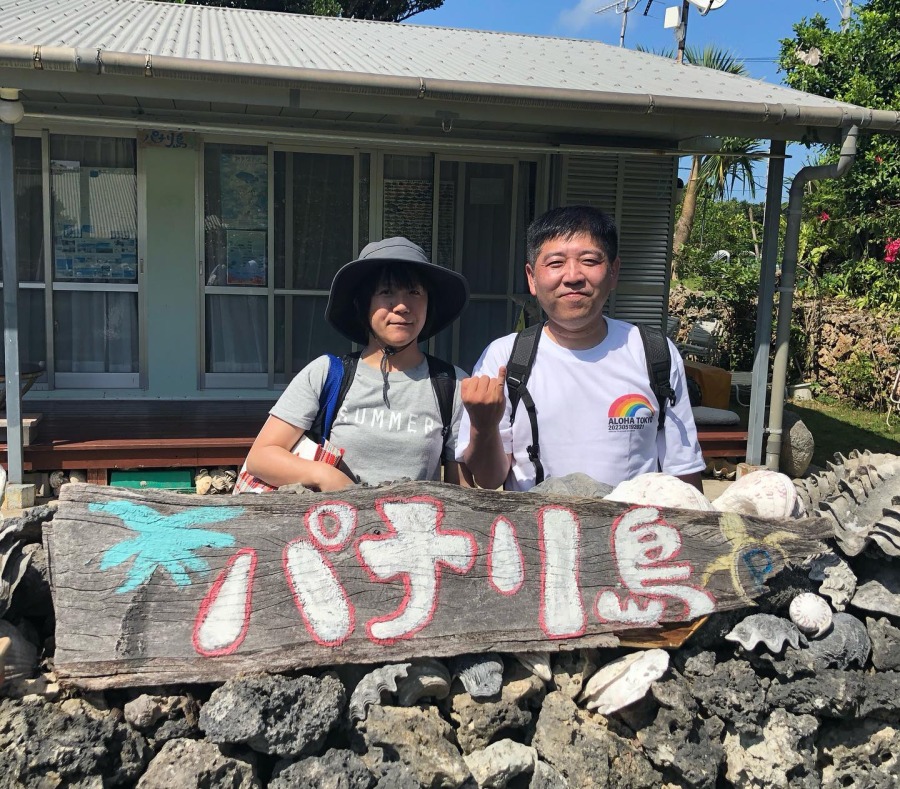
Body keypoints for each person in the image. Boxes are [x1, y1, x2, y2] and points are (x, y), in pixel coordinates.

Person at [458, 205, 705, 492]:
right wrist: (483, 425)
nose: (573, 276)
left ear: (613, 272)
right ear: (531, 278)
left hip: (631, 533)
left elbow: (683, 474)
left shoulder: (654, 353)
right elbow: (488, 480)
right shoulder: (504, 358)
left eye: (589, 260)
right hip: (535, 535)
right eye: (555, 263)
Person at [242, 237, 471, 492]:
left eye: (415, 292)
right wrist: (324, 475)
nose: (403, 306)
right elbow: (261, 457)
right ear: (364, 304)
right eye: (387, 292)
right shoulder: (328, 374)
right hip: (335, 525)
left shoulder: (452, 384)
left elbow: (459, 490)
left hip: (416, 528)